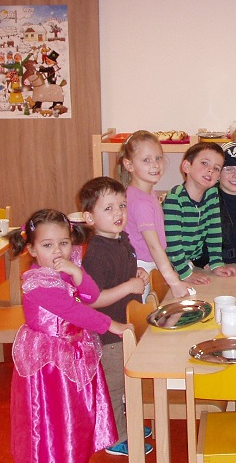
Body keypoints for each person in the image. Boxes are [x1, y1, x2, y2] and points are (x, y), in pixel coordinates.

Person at [9, 209, 130, 463]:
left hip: (72, 351)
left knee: (74, 415)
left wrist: (78, 273)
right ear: (31, 249)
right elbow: (73, 310)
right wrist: (111, 325)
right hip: (49, 364)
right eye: (47, 245)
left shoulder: (66, 268)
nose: (57, 251)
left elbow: (91, 296)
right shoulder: (37, 282)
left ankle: (73, 454)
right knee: (53, 416)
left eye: (63, 243)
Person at [77, 177, 153, 457]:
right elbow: (93, 299)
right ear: (89, 218)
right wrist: (129, 286)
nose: (118, 213)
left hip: (125, 326)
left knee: (126, 383)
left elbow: (122, 275)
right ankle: (114, 436)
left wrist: (137, 275)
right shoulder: (96, 253)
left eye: (121, 205)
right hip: (108, 334)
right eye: (108, 208)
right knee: (114, 386)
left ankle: (126, 424)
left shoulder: (121, 239)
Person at [117, 130, 190, 300]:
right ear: (129, 165)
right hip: (143, 268)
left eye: (158, 158)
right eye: (146, 160)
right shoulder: (140, 202)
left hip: (151, 265)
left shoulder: (146, 193)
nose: (156, 165)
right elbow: (153, 246)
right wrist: (174, 282)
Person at [163, 142, 235, 280]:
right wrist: (186, 273)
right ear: (187, 166)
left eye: (217, 168)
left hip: (187, 263)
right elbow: (172, 243)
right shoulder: (175, 198)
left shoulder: (212, 195)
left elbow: (214, 232)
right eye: (204, 163)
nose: (210, 170)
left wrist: (216, 263)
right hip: (166, 264)